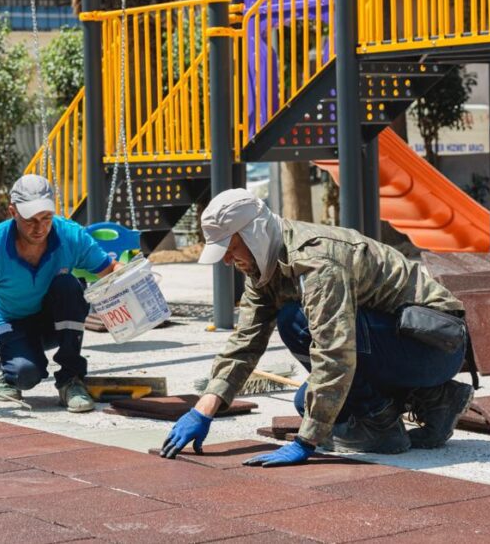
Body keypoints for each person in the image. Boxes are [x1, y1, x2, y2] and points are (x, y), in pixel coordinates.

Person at [161, 188, 474, 466]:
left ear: (254, 232)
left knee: (295, 321)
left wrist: (305, 442)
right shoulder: (263, 269)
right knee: (305, 401)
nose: (227, 260)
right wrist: (203, 411)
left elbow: (334, 352)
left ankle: (381, 425)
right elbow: (246, 343)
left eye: (230, 248)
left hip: (435, 344)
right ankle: (438, 400)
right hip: (404, 345)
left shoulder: (316, 261)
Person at [0, 174, 119, 413]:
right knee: (25, 374)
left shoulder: (70, 235)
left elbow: (109, 270)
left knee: (69, 285)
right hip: (12, 321)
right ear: (13, 212)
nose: (40, 228)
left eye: (46, 218)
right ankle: (9, 375)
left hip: (53, 321)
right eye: (31, 220)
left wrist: (132, 278)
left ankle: (71, 380)